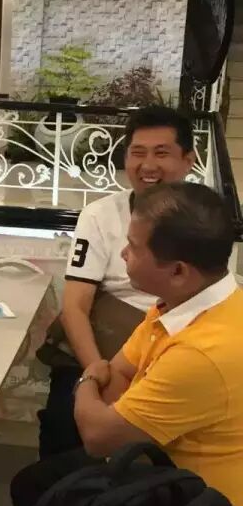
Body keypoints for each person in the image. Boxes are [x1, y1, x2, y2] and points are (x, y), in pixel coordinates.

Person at [12, 182, 243, 506]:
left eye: (133, 247)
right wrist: (107, 404)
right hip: (154, 460)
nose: (122, 254)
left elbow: (98, 437)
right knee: (32, 484)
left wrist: (88, 378)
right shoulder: (182, 303)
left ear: (178, 271)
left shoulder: (202, 353)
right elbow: (119, 373)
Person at [38, 106, 195, 458]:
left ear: (188, 160)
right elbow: (75, 305)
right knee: (62, 423)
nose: (148, 165)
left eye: (161, 153)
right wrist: (99, 371)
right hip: (105, 346)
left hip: (172, 353)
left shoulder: (203, 220)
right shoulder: (100, 215)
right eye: (138, 153)